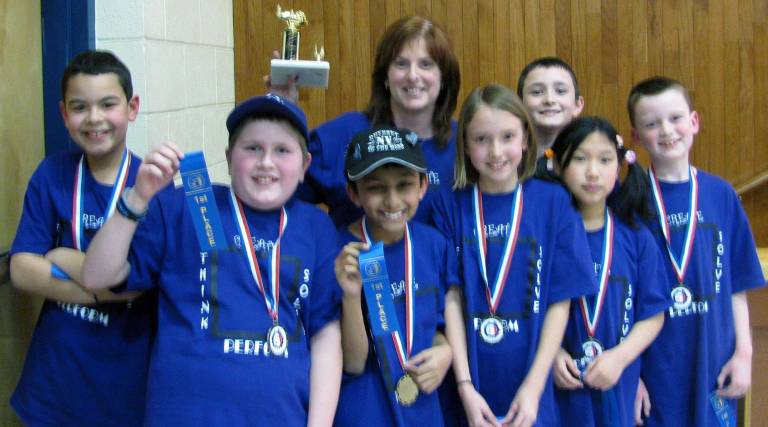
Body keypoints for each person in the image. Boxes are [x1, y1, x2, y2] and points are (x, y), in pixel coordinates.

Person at [81, 94, 343, 426]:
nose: (266, 162)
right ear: (229, 157)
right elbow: (96, 276)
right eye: (252, 148)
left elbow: (325, 335)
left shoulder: (315, 227)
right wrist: (139, 195)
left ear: (305, 166)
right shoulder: (187, 204)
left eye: (282, 150)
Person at [432, 84, 596, 427]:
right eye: (481, 139)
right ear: (465, 144)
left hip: (532, 391)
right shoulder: (448, 206)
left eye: (507, 136)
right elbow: (451, 298)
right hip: (469, 390)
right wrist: (464, 387)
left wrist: (534, 389)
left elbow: (560, 302)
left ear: (525, 139)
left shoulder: (553, 203)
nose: (495, 151)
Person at [8, 50, 154, 426]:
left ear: (132, 107)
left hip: (125, 387)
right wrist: (101, 290)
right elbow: (23, 269)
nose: (94, 119)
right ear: (63, 114)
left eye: (108, 104)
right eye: (79, 107)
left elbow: (137, 285)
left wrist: (61, 258)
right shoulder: (52, 174)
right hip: (53, 384)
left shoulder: (153, 187)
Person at [627, 76, 766, 426]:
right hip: (654, 371)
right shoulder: (629, 201)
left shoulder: (721, 195)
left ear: (694, 122)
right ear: (636, 136)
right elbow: (619, 296)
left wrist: (744, 354)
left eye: (675, 118)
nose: (666, 130)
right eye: (651, 124)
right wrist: (631, 375)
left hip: (713, 366)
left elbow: (737, 286)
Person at [270, 16, 461, 227]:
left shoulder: (465, 144)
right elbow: (277, 194)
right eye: (401, 64)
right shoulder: (340, 136)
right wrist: (280, 118)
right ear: (385, 77)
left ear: (444, 78)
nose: (413, 75)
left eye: (426, 64)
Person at [538, 116, 667, 426]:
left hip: (615, 382)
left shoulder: (636, 237)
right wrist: (550, 355)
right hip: (556, 388)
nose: (593, 172)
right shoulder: (543, 232)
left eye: (605, 160)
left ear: (620, 165)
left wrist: (620, 358)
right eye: (580, 159)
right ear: (556, 165)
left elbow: (653, 314)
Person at [333, 127, 457, 426]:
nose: (392, 201)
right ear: (354, 193)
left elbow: (434, 325)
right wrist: (351, 296)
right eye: (376, 188)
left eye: (404, 185)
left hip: (424, 409)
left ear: (423, 187)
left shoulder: (433, 245)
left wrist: (445, 351)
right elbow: (352, 362)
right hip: (364, 411)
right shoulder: (339, 253)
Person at [517, 57, 585, 178]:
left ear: (577, 105)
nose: (549, 100)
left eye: (560, 91)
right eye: (537, 92)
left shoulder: (591, 160)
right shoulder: (507, 160)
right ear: (519, 104)